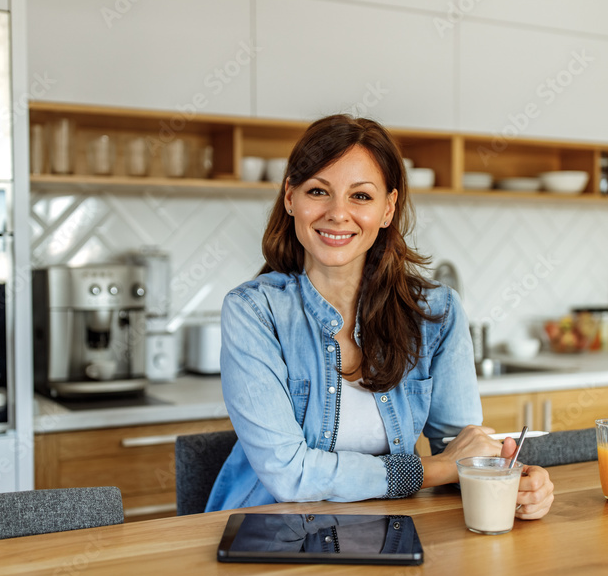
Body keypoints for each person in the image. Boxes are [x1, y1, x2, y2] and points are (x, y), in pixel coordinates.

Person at [205, 114, 554, 519]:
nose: (338, 213)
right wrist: (439, 469)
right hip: (267, 535)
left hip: (390, 533)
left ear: (388, 208)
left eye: (361, 196)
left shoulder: (436, 313)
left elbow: (462, 451)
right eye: (318, 191)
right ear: (290, 198)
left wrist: (511, 481)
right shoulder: (253, 311)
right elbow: (291, 476)